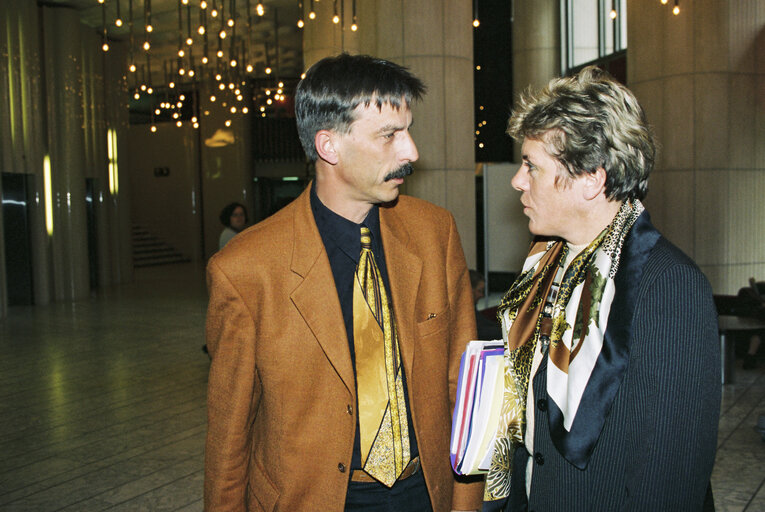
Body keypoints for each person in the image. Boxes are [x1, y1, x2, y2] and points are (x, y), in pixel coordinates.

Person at [204, 53, 484, 512]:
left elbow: (463, 387)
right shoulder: (245, 269)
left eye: (407, 131)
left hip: (426, 492)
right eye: (390, 136)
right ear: (329, 147)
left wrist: (467, 504)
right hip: (314, 498)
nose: (411, 151)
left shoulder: (435, 234)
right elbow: (229, 436)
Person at [483, 66, 720, 511]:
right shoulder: (545, 263)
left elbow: (671, 475)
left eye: (532, 165)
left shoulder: (668, 286)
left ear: (592, 177)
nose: (518, 180)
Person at [469, 270, 502, 340]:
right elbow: (480, 331)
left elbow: (484, 323)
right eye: (480, 291)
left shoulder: (471, 309)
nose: (482, 295)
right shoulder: (465, 312)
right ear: (469, 290)